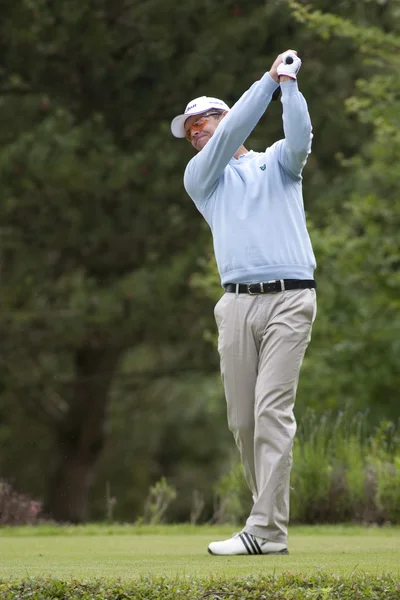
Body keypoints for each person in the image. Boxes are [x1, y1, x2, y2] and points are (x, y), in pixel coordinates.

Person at [171, 50, 317, 556]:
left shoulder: (277, 162)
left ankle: (264, 530)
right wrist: (267, 81)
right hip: (235, 305)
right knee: (243, 421)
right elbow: (233, 134)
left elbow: (300, 139)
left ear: (226, 117)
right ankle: (268, 525)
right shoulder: (201, 178)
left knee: (272, 410)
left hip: (291, 299)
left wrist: (289, 86)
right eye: (189, 130)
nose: (195, 133)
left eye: (202, 122)